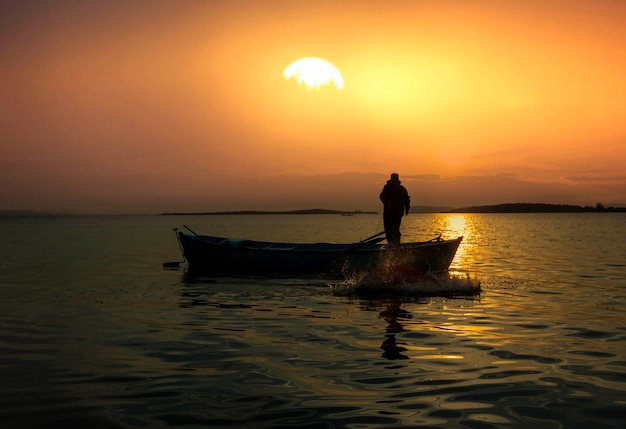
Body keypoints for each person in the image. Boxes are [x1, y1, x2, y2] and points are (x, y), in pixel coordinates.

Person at [379, 173, 411, 244]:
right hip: (388, 213)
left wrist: (407, 209)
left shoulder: (402, 189)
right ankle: (390, 244)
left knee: (395, 229)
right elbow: (381, 196)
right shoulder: (387, 187)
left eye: (395, 179)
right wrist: (385, 200)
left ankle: (396, 244)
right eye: (393, 179)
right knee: (388, 229)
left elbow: (407, 200)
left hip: (397, 213)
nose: (394, 181)